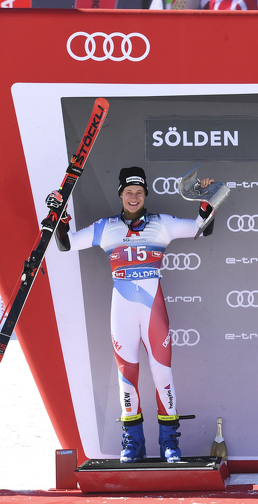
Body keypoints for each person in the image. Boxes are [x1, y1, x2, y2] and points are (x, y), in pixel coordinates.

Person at [46, 167, 215, 463]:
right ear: (121, 195)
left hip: (152, 310)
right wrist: (60, 215)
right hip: (122, 308)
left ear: (145, 194)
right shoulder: (107, 227)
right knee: (127, 376)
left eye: (139, 192)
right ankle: (133, 443)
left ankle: (169, 444)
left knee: (163, 374)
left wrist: (207, 198)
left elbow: (203, 226)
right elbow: (67, 243)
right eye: (128, 192)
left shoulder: (162, 224)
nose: (133, 197)